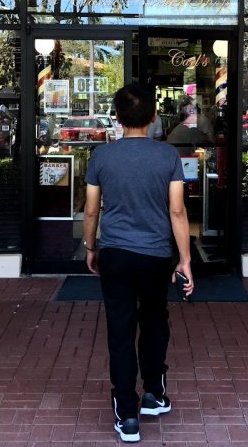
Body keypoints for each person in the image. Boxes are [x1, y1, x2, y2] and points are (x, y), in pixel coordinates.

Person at [83, 83, 194, 443]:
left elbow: (90, 209)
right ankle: (154, 395)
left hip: (114, 252)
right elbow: (177, 210)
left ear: (117, 117)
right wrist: (186, 259)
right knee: (154, 320)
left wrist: (89, 247)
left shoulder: (102, 156)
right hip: (155, 254)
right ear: (153, 116)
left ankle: (127, 416)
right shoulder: (168, 157)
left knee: (120, 331)